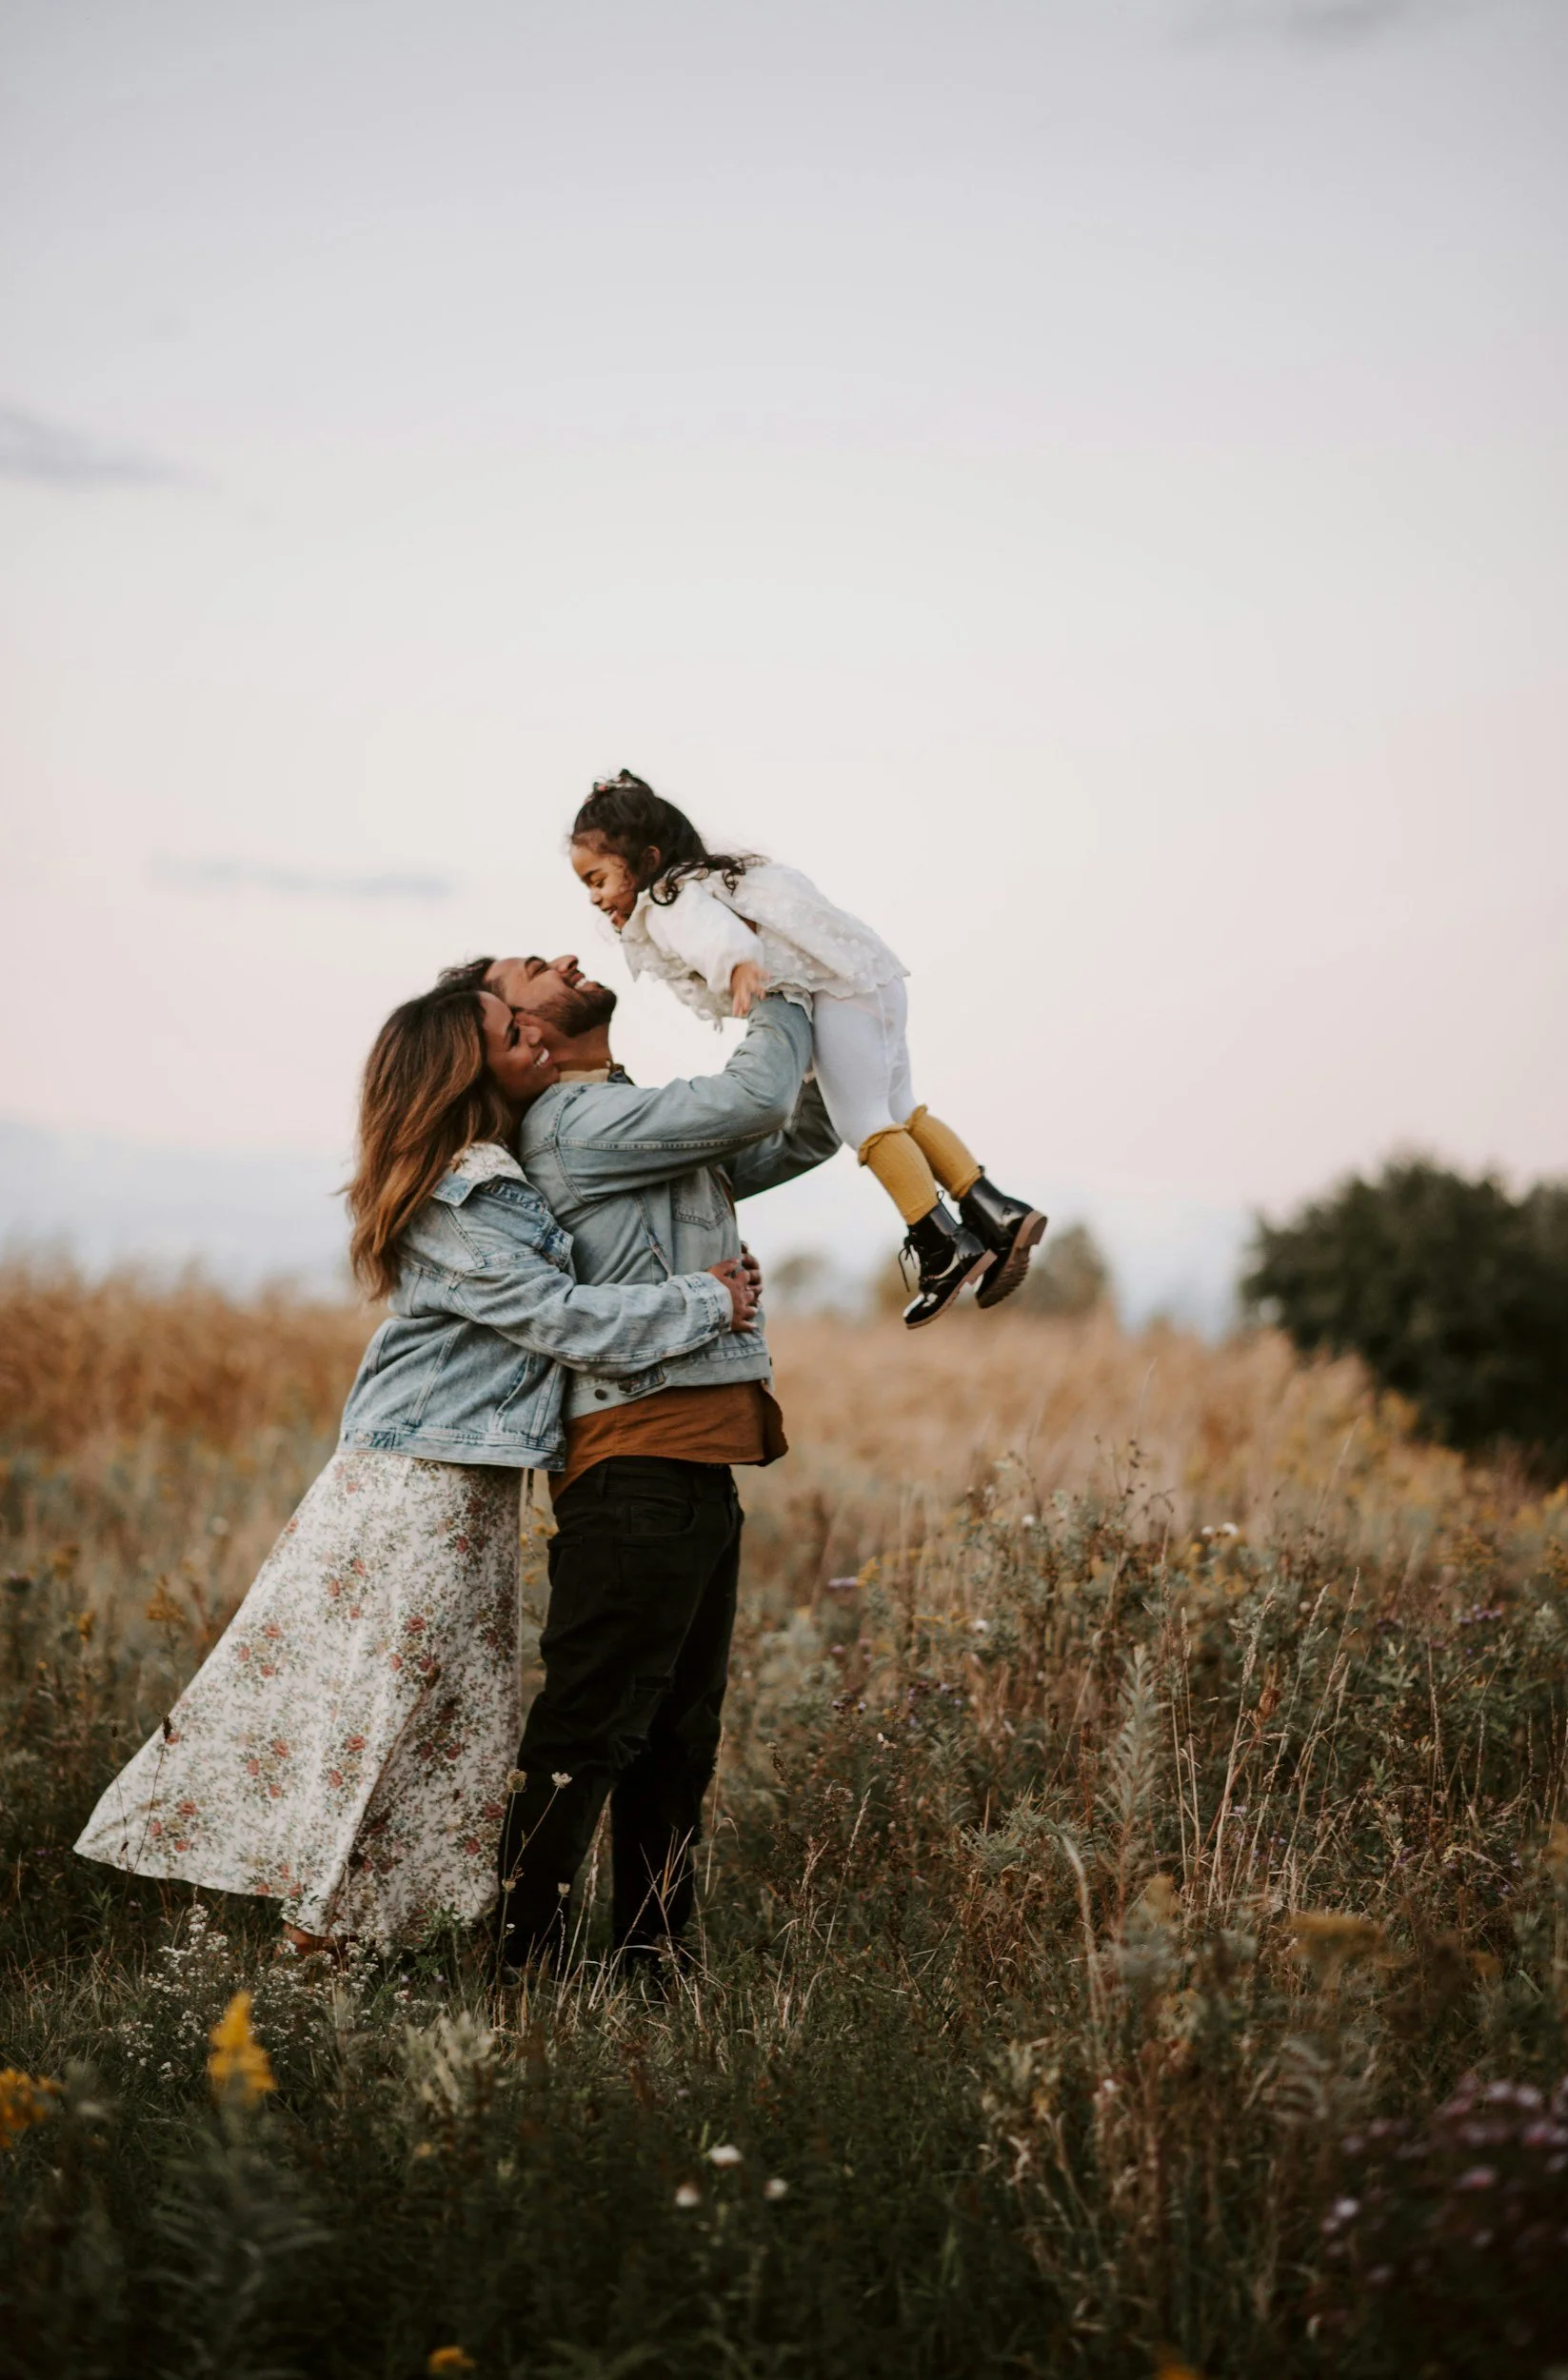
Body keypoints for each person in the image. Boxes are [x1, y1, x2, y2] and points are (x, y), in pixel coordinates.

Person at [74, 982, 756, 1954]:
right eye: (509, 1028)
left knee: (443, 1717)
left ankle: (370, 1928)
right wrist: (703, 1302)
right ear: (459, 1068)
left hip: (468, 1486)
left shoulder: (511, 1162)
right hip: (418, 1484)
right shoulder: (456, 1190)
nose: (533, 1031)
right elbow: (557, 1318)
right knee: (390, 1707)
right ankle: (324, 1935)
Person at [442, 953, 837, 1975]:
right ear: (517, 1033)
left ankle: (652, 1964)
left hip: (691, 1463)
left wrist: (859, 1047)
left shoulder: (627, 1121)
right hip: (634, 1462)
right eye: (528, 977)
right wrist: (781, 980)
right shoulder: (575, 1126)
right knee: (589, 1731)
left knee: (675, 1738)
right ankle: (522, 1968)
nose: (565, 960)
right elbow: (754, 1094)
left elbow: (798, 1126)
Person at [566, 767, 1047, 1327]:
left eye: (597, 879)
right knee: (902, 1110)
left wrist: (738, 965)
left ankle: (943, 1244)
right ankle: (997, 1212)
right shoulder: (715, 877)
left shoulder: (670, 901)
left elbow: (712, 936)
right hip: (870, 978)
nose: (596, 898)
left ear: (646, 861)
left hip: (832, 995)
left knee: (863, 1125)